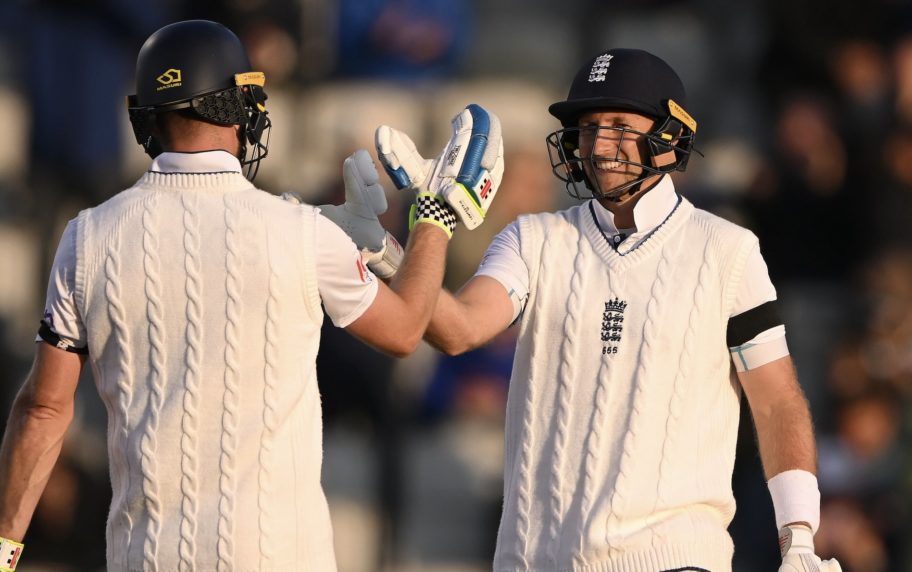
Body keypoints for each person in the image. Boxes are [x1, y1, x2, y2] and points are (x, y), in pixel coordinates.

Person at [0, 19, 502, 572]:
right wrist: (433, 219)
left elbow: (43, 409)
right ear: (236, 109)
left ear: (148, 120)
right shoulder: (302, 232)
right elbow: (406, 331)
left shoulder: (85, 237)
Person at [344, 48, 842, 571]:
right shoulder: (534, 238)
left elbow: (777, 401)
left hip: (675, 558)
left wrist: (799, 537)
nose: (601, 145)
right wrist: (398, 248)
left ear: (670, 137)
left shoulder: (727, 250)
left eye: (621, 125)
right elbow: (458, 329)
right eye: (588, 127)